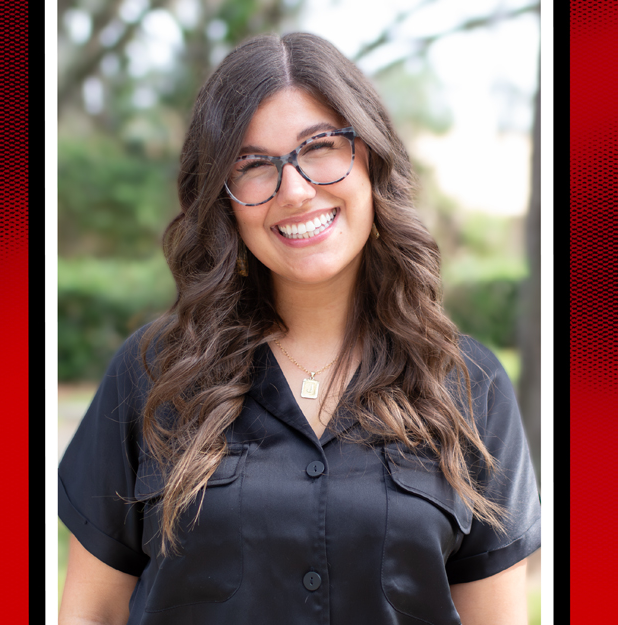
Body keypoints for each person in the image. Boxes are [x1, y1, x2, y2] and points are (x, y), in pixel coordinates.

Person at [58, 32, 540, 625]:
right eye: (254, 165)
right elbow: (93, 611)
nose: (294, 189)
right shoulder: (153, 373)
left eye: (321, 147)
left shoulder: (470, 385)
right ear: (224, 199)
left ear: (371, 158)